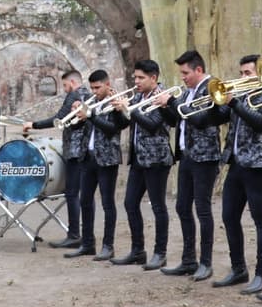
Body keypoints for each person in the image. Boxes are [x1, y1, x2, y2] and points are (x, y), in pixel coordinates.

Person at [205, 55, 262, 295]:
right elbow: (216, 119)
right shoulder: (239, 96)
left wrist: (235, 102)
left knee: (261, 221)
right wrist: (218, 103)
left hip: (258, 165)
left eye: (248, 73)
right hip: (236, 164)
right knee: (229, 217)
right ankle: (238, 269)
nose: (242, 77)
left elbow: (261, 122)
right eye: (241, 73)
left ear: (261, 75)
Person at [157, 50, 222, 281]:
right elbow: (177, 120)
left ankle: (205, 262)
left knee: (202, 209)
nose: (182, 77)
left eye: (186, 73)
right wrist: (165, 108)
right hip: (186, 155)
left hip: (205, 157)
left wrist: (173, 102)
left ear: (198, 70)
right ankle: (188, 260)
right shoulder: (187, 91)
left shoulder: (211, 87)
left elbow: (201, 119)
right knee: (182, 207)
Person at [108, 60, 173, 270]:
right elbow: (125, 124)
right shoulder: (138, 96)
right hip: (138, 158)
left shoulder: (161, 97)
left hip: (156, 159)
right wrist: (118, 110)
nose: (136, 81)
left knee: (157, 206)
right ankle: (138, 251)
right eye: (135, 77)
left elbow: (153, 125)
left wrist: (130, 110)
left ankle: (160, 253)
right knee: (129, 203)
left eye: (140, 78)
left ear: (153, 78)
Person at [63, 70, 127, 262]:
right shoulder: (90, 101)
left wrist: (90, 115)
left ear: (108, 85)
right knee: (84, 201)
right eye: (92, 88)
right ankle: (87, 244)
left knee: (107, 203)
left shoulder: (117, 103)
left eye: (98, 87)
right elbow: (76, 127)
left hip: (107, 158)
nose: (94, 91)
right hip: (87, 156)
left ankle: (108, 246)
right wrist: (76, 112)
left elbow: (112, 129)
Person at [25, 70, 92, 249]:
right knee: (84, 194)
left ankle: (74, 235)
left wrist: (33, 125)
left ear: (71, 82)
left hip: (75, 151)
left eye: (64, 85)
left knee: (72, 193)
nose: (64, 89)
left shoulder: (74, 95)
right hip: (86, 151)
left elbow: (58, 119)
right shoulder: (90, 94)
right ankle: (86, 235)